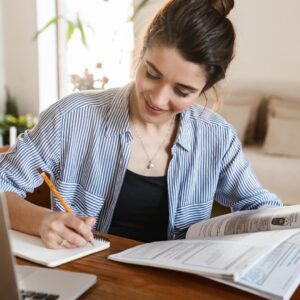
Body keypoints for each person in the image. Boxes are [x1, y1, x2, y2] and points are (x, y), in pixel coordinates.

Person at [0, 0, 282, 248]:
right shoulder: (72, 116)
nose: (159, 99)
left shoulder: (217, 137)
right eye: (151, 74)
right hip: (88, 273)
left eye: (182, 92)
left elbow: (260, 206)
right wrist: (42, 220)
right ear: (142, 50)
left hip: (172, 285)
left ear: (206, 88)